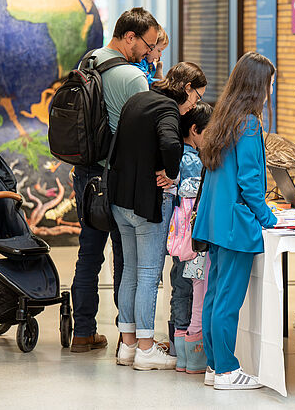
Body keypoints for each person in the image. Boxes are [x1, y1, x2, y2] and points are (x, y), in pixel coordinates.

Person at [71, 7, 161, 353]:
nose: (149, 53)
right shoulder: (132, 77)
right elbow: (146, 133)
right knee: (128, 257)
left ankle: (83, 331)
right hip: (118, 176)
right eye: (148, 45)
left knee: (89, 254)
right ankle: (131, 337)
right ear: (130, 38)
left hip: (86, 172)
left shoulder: (88, 60)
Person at [111, 62, 207, 370]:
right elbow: (168, 141)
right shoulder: (167, 109)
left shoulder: (140, 99)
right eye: (197, 96)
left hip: (120, 199)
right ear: (186, 89)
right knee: (149, 275)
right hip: (147, 202)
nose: (196, 104)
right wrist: (172, 172)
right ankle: (146, 350)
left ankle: (127, 347)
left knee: (129, 272)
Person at [192, 52, 278, 390]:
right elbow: (250, 181)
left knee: (215, 294)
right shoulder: (249, 123)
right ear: (258, 85)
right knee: (227, 299)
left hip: (215, 222)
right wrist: (268, 217)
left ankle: (215, 366)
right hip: (235, 224)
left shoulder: (225, 117)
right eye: (269, 83)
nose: (270, 89)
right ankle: (227, 370)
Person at [173, 102, 212, 375]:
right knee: (193, 291)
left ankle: (181, 355)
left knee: (180, 290)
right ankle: (194, 356)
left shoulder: (178, 155)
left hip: (179, 239)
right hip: (194, 241)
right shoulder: (193, 161)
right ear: (195, 130)